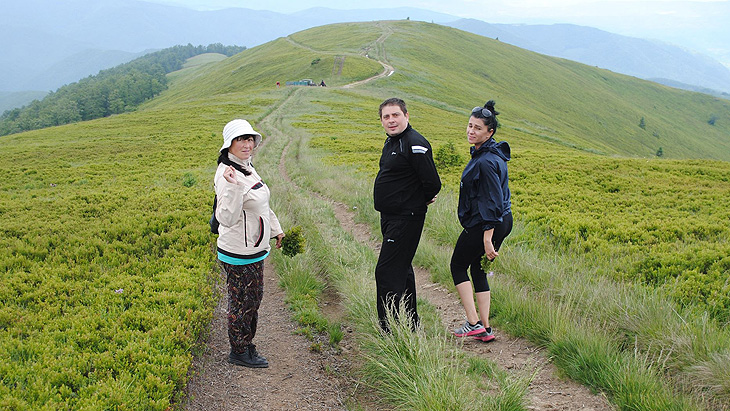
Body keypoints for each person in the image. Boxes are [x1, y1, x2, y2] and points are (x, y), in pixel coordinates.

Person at [214, 119, 285, 367]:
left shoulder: (246, 166)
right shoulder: (228, 175)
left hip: (253, 248)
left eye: (249, 139)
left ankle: (246, 343)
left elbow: (261, 204)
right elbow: (227, 218)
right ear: (229, 145)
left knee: (252, 299)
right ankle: (239, 351)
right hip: (238, 251)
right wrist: (233, 187)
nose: (247, 144)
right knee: (243, 302)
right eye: (240, 139)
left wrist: (276, 230)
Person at [373, 98, 441, 331]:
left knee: (386, 271)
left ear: (406, 116)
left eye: (395, 115)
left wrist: (417, 200)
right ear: (381, 121)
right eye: (386, 117)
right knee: (403, 269)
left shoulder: (415, 143)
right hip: (391, 216)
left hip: (405, 218)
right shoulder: (393, 142)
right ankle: (412, 323)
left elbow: (432, 182)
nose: (391, 120)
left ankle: (389, 328)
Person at [450, 100, 512, 343]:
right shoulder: (492, 153)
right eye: (469, 126)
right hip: (503, 220)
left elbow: (491, 200)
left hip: (486, 222)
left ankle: (473, 322)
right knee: (477, 267)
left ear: (490, 132)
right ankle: (485, 328)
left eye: (477, 128)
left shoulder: (485, 161)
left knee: (457, 266)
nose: (470, 131)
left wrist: (487, 237)